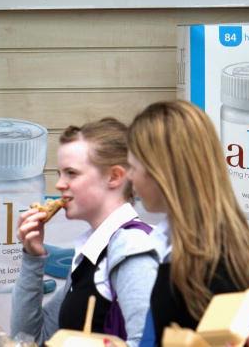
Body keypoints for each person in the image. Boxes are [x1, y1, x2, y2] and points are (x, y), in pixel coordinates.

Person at [126, 100, 249, 346]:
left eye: (133, 166)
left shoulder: (213, 263)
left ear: (163, 172)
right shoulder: (188, 246)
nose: (129, 176)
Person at [11, 118, 158, 347]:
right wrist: (32, 257)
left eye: (71, 173)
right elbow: (29, 340)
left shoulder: (132, 247)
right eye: (60, 173)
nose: (60, 184)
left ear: (114, 177)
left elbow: (150, 342)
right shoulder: (92, 253)